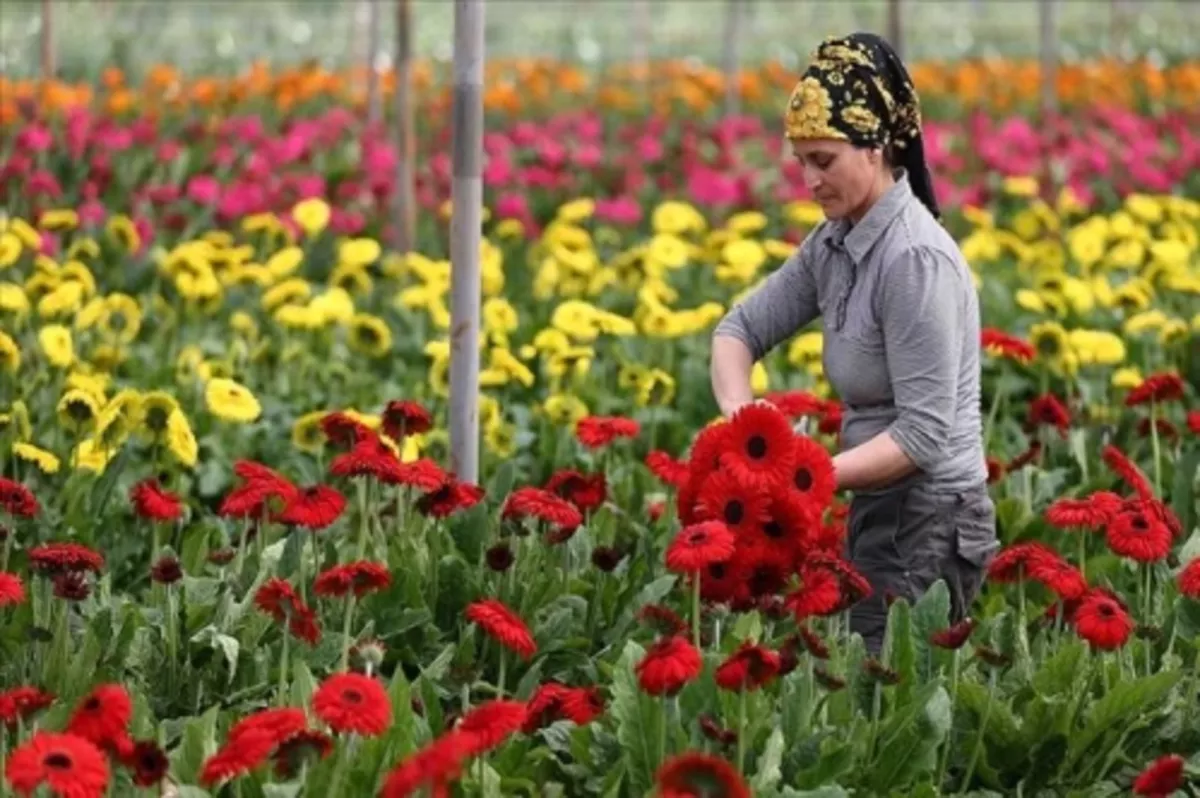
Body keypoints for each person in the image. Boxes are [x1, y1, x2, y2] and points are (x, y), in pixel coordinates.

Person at [709, 32, 999, 654]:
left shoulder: (914, 259)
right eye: (801, 162)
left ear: (876, 148)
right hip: (879, 505)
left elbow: (923, 436)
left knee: (884, 703)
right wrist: (745, 432)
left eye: (824, 159)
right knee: (860, 694)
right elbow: (739, 331)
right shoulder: (835, 242)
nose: (809, 180)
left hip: (931, 518)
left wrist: (803, 479)